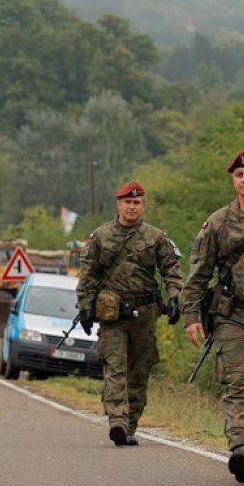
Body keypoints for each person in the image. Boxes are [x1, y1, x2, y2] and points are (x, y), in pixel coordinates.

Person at [181, 147, 244, 484]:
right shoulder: (218, 222)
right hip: (234, 317)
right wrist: (192, 316)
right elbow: (199, 274)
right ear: (234, 181)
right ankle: (241, 448)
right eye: (239, 175)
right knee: (239, 382)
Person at [76, 181, 183, 447]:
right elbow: (88, 274)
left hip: (145, 315)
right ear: (119, 204)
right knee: (115, 368)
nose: (132, 207)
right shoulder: (101, 236)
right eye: (127, 202)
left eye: (137, 202)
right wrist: (86, 307)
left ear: (143, 205)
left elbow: (171, 270)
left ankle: (130, 424)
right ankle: (117, 421)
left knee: (139, 372)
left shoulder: (156, 237)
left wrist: (175, 299)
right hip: (113, 316)